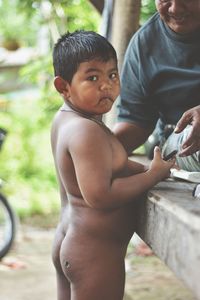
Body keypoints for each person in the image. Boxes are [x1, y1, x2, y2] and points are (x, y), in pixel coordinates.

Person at [51, 30, 175, 300]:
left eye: (112, 75)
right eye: (92, 77)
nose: (106, 85)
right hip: (95, 252)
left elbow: (104, 165)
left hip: (74, 242)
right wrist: (152, 175)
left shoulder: (68, 121)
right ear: (63, 87)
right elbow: (99, 194)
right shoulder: (87, 131)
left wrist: (144, 168)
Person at [114, 0, 200, 172]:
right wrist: (91, 142)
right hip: (184, 145)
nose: (175, 8)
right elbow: (136, 122)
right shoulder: (144, 44)